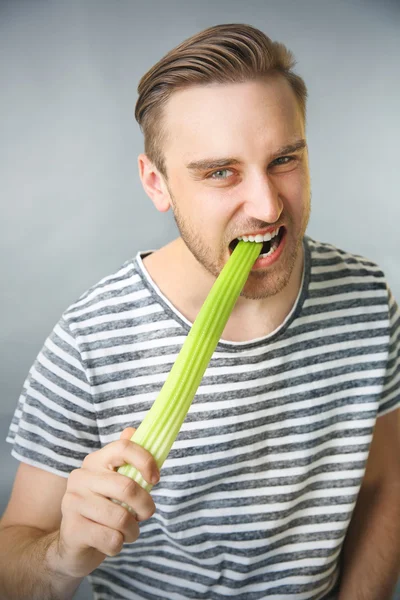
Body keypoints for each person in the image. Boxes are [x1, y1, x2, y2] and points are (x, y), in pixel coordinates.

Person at [1, 23, 399, 600]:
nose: (266, 207)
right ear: (156, 183)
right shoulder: (91, 341)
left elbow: (384, 483)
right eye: (220, 172)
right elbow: (13, 558)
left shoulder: (366, 299)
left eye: (284, 159)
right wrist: (63, 555)